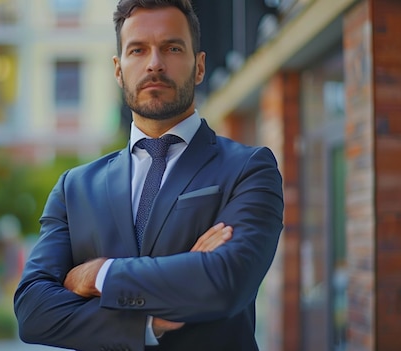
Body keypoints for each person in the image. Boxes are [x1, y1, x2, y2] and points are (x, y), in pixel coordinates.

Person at [14, 0, 284, 350]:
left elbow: (225, 283)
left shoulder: (248, 169)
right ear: (118, 69)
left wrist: (100, 274)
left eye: (172, 48)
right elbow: (34, 311)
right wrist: (148, 323)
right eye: (138, 50)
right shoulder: (75, 188)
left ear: (199, 66)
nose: (154, 64)